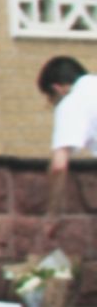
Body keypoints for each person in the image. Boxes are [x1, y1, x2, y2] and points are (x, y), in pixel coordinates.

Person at [41, 55, 97, 215]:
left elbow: (59, 166)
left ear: (57, 89)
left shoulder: (71, 102)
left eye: (50, 98)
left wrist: (52, 212)